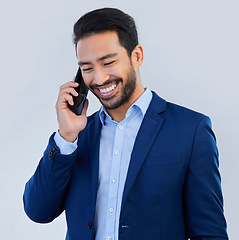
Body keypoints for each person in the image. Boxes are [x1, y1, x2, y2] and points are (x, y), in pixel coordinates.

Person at [23, 7, 228, 240]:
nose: (99, 79)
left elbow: (210, 233)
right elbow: (37, 211)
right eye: (87, 68)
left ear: (137, 56)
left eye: (108, 62)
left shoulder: (191, 130)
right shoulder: (76, 137)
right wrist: (66, 137)